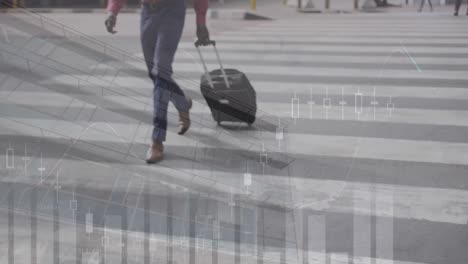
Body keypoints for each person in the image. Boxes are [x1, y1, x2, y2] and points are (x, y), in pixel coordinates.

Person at [104, 0, 211, 164]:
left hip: (172, 12)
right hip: (147, 12)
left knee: (161, 71)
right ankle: (182, 102)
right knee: (155, 74)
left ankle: (157, 140)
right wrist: (113, 10)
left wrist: (201, 20)